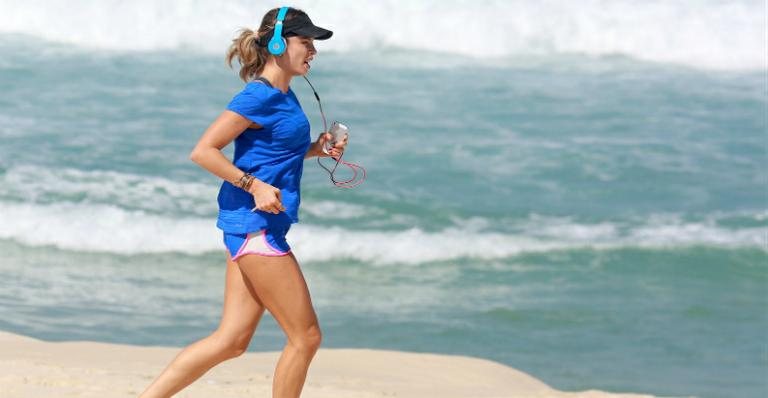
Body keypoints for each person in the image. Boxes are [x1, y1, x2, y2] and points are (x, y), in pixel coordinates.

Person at [139, 6, 345, 398]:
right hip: (256, 227)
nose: (313, 51)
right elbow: (204, 151)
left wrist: (316, 150)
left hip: (251, 227)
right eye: (306, 42)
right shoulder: (258, 96)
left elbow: (273, 155)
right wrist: (254, 186)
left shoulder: (286, 95)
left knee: (231, 341)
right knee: (306, 337)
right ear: (280, 43)